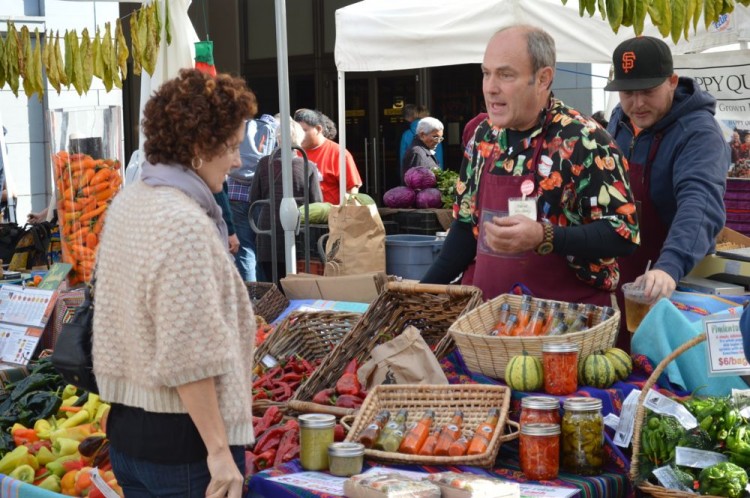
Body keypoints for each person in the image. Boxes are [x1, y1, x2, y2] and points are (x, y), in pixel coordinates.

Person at [92, 69, 256, 498]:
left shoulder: (131, 200)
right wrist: (219, 451)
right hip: (189, 451)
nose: (238, 162)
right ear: (201, 147)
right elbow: (190, 355)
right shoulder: (183, 222)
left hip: (130, 436)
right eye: (233, 147)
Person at [421, 25, 639, 307]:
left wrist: (544, 235)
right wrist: (420, 297)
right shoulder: (484, 138)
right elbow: (465, 229)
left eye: (506, 74)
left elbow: (622, 234)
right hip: (489, 322)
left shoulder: (584, 140)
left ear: (543, 79)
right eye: (486, 73)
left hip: (566, 329)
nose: (491, 87)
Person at [605, 36, 729, 305]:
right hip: (626, 278)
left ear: (672, 82)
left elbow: (699, 203)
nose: (637, 104)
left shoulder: (699, 133)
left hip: (679, 279)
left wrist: (669, 267)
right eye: (628, 93)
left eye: (648, 91)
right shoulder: (619, 120)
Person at [251, 119, 323, 282]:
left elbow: (254, 197)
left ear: (278, 138)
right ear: (300, 138)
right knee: (295, 284)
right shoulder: (307, 165)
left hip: (267, 228)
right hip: (298, 230)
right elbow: (317, 202)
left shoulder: (264, 164)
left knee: (272, 283)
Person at [227, 114, 278, 282]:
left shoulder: (234, 127)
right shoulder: (272, 128)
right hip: (261, 198)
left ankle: (254, 294)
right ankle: (267, 293)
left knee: (245, 249)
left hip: (235, 194)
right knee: (263, 248)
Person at [294, 109, 362, 204]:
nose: (299, 135)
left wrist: (345, 211)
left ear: (318, 129)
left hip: (332, 215)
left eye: (304, 130)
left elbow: (352, 189)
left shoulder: (339, 153)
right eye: (297, 131)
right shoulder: (293, 152)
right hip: (300, 214)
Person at [399, 105, 445, 170]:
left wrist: (404, 178)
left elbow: (403, 160)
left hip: (412, 176)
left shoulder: (406, 135)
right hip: (431, 174)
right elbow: (439, 158)